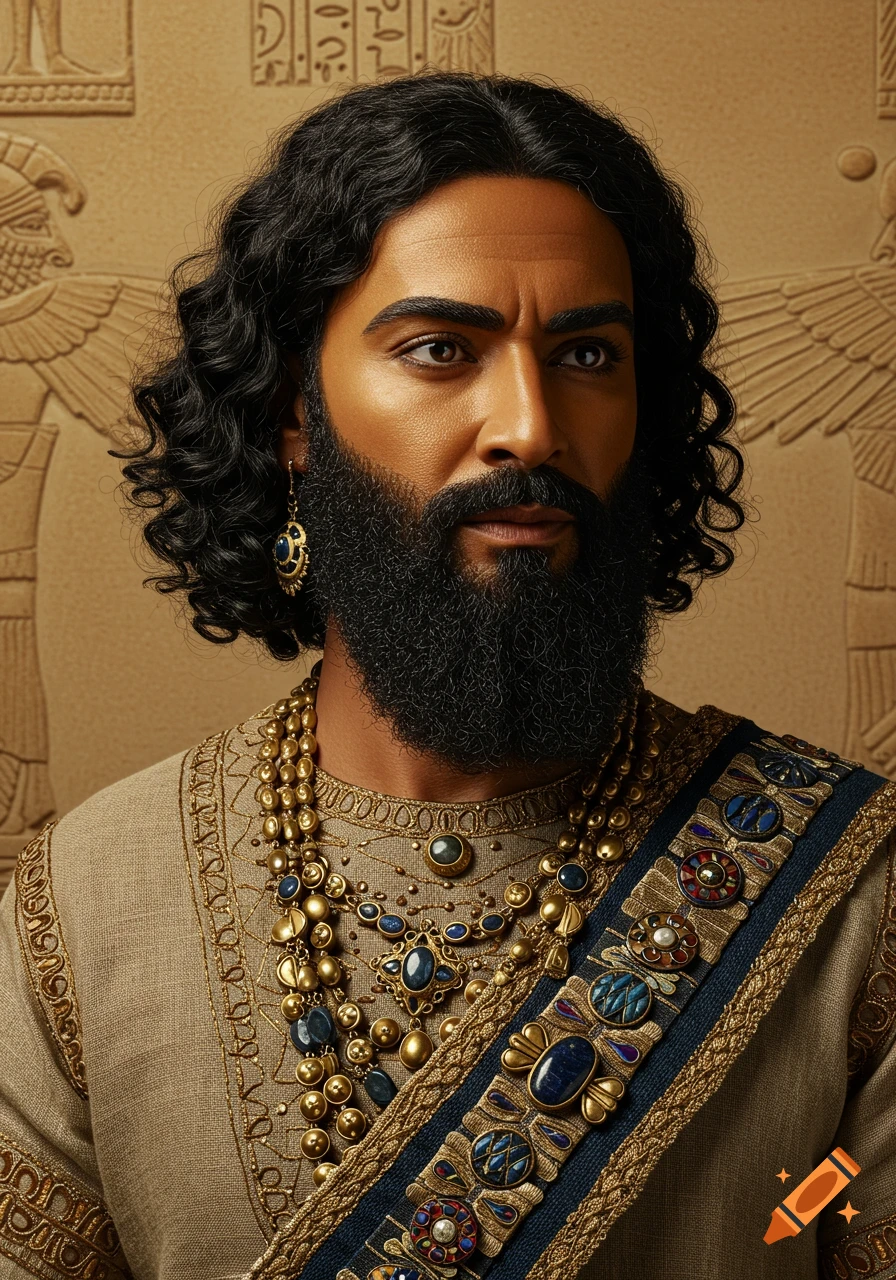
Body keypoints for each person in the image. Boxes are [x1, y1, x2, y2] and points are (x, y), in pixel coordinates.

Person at [0, 71, 893, 1280]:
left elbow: (821, 1219)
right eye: (437, 349)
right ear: (291, 414)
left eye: (585, 351)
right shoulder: (83, 915)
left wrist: (782, 1223)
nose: (529, 422)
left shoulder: (847, 901)